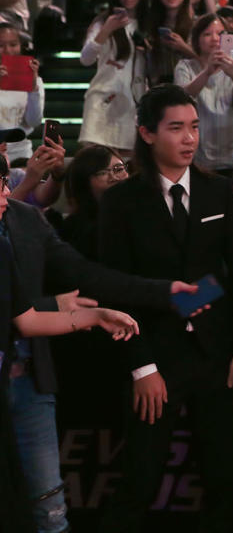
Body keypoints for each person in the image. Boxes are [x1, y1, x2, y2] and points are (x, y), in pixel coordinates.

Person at [0, 148, 200, 533]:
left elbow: (90, 278)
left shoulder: (27, 221)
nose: (119, 178)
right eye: (108, 172)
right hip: (78, 358)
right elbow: (23, 315)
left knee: (50, 508)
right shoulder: (80, 225)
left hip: (31, 381)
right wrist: (58, 305)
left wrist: (169, 293)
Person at [97, 84, 233, 532]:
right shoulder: (120, 202)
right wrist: (142, 366)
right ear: (147, 134)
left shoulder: (218, 191)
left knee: (224, 477)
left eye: (194, 127)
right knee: (140, 479)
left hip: (216, 357)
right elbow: (114, 288)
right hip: (154, 357)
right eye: (176, 128)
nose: (190, 138)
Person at [78, 0, 150, 154]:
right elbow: (85, 58)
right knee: (96, 161)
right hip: (102, 98)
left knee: (127, 164)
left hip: (134, 102)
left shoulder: (149, 23)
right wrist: (106, 30)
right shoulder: (103, 21)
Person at [174, 14, 233, 172]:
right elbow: (181, 97)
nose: (214, 38)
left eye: (220, 34)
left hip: (232, 156)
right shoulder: (185, 66)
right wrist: (207, 72)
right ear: (197, 39)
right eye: (207, 34)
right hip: (198, 156)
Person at [60, 144, 128, 260]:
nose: (114, 177)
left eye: (119, 169)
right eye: (102, 173)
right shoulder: (79, 231)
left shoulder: (143, 214)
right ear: (84, 184)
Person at [0, 25, 43, 163]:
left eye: (13, 44)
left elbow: (34, 121)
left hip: (21, 153)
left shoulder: (35, 81)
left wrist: (33, 89)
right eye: (0, 45)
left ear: (21, 46)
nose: (7, 50)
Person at [146, 0, 195, 85]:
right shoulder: (150, 25)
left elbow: (206, 62)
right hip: (159, 87)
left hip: (190, 85)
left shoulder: (197, 24)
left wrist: (183, 47)